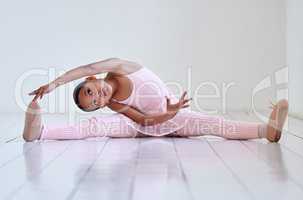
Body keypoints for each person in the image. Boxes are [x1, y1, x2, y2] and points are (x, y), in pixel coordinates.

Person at [23, 58, 289, 142]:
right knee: (97, 126)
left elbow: (84, 68)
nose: (97, 99)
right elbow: (142, 120)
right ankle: (41, 132)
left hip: (172, 115)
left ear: (94, 80)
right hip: (145, 126)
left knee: (213, 124)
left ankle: (267, 130)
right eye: (94, 103)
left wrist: (54, 84)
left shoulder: (121, 67)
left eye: (91, 92)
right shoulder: (114, 104)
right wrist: (164, 116)